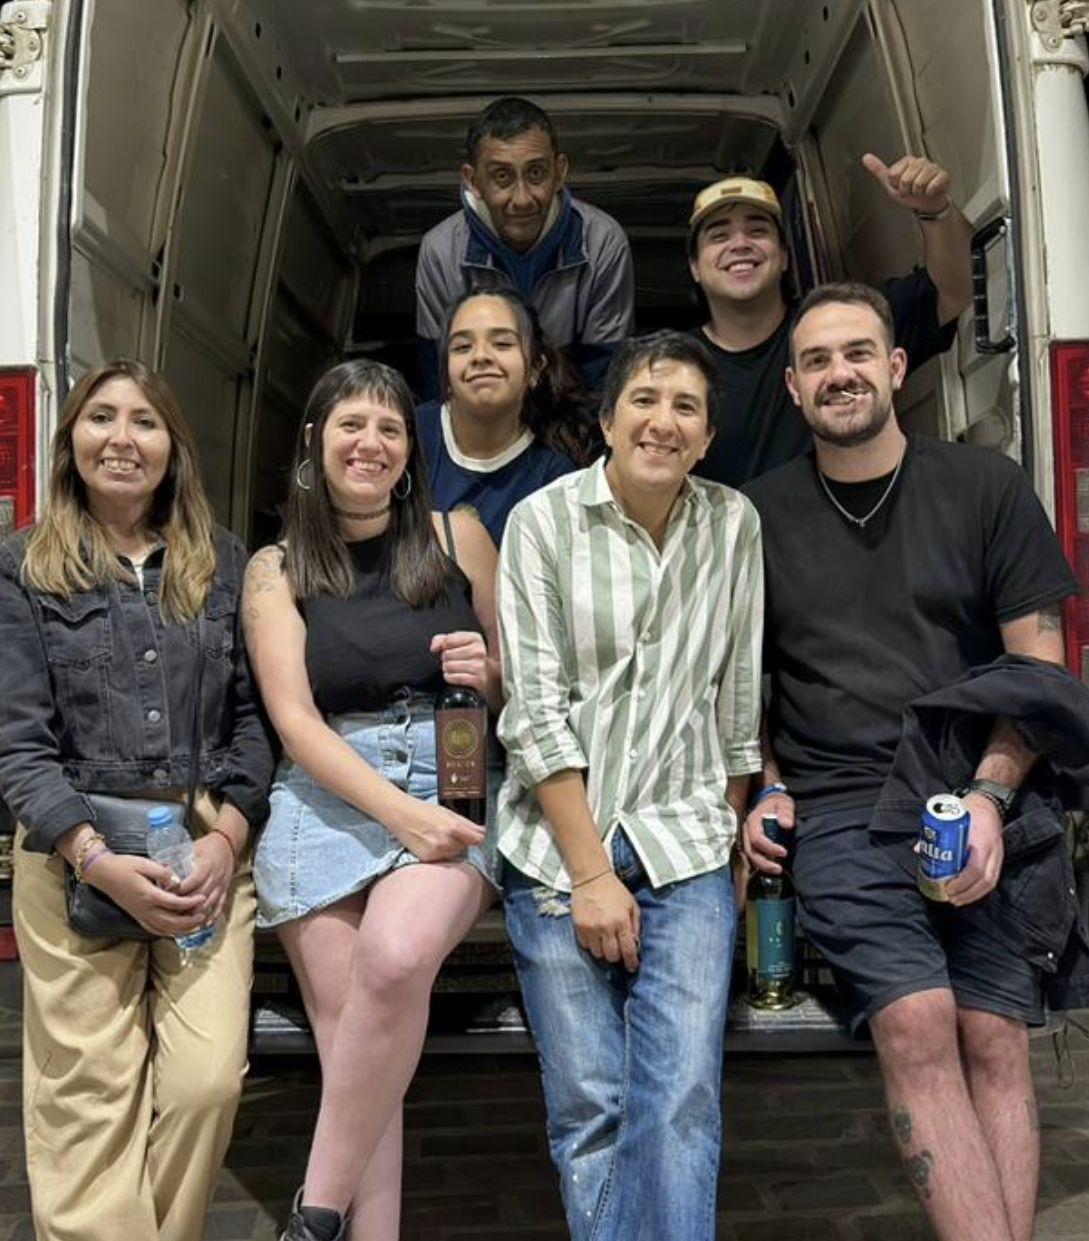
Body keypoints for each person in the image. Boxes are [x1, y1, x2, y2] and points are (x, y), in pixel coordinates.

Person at [741, 283, 1089, 1241]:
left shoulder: (984, 487)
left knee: (993, 1034)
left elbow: (1039, 669)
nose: (840, 374)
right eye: (817, 360)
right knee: (915, 1022)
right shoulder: (756, 517)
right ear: (792, 387)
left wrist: (991, 797)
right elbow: (742, 685)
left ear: (896, 367)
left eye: (857, 353)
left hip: (981, 790)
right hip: (841, 806)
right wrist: (768, 783)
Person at [0, 359, 273, 1241]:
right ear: (70, 439)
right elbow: (18, 740)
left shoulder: (223, 561)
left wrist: (225, 838)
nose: (121, 438)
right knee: (88, 1094)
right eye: (100, 417)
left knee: (205, 1082)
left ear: (172, 447)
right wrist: (97, 861)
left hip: (201, 846)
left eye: (144, 421)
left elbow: (256, 720)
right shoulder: (23, 565)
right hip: (74, 850)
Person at [495, 331, 763, 1241]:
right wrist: (590, 874)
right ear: (607, 421)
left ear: (707, 436)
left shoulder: (732, 523)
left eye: (686, 406)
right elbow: (533, 712)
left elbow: (738, 700)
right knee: (591, 1102)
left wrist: (728, 836)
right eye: (644, 400)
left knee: (679, 1094)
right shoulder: (541, 522)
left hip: (685, 839)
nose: (663, 421)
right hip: (554, 848)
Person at [243, 360, 503, 1241]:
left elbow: (516, 684)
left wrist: (488, 674)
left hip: (450, 775)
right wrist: (399, 815)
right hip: (327, 791)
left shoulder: (459, 535)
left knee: (391, 963)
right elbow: (293, 719)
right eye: (351, 424)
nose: (371, 443)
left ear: (409, 449)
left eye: (390, 428)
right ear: (313, 441)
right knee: (357, 1044)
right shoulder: (276, 568)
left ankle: (312, 1215)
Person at [688, 154, 972, 486]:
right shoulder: (675, 366)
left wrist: (935, 210)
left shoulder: (846, 325)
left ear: (784, 257)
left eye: (757, 230)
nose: (740, 244)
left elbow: (955, 291)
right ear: (694, 267)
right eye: (719, 236)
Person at [415, 95, 634, 400]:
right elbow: (440, 382)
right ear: (473, 181)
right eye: (501, 176)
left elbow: (605, 381)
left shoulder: (602, 242)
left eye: (536, 173)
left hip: (571, 416)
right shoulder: (441, 251)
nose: (522, 199)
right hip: (479, 418)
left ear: (559, 172)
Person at [416, 287, 594, 545]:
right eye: (463, 347)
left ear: (535, 369)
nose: (480, 356)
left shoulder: (555, 477)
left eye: (502, 344)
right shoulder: (408, 435)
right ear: (446, 373)